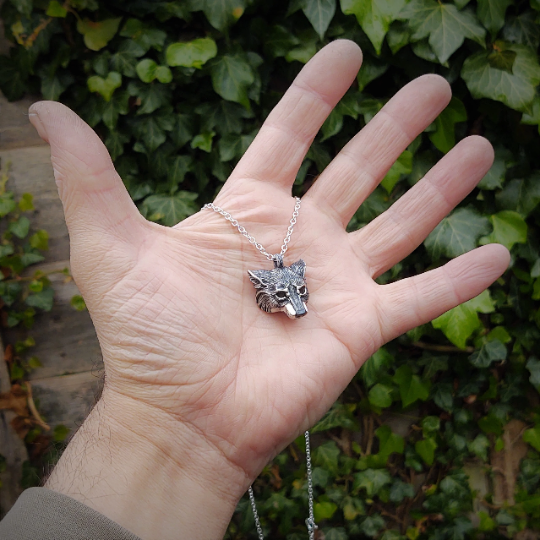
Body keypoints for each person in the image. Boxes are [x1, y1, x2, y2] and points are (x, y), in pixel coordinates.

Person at [0, 40, 509, 540]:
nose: (297, 305)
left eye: (296, 296)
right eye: (289, 297)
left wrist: (158, 430)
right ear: (270, 288)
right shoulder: (265, 282)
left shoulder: (286, 280)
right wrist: (158, 419)